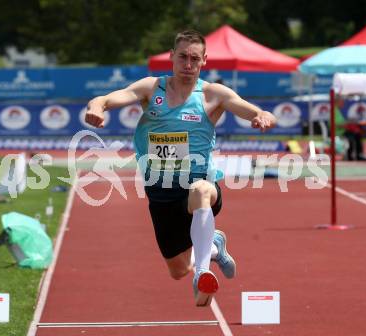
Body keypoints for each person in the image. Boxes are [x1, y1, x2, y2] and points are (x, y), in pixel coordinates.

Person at [85, 30, 276, 306]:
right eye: (183, 57)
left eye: (195, 59)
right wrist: (97, 107)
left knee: (201, 190)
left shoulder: (213, 94)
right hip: (160, 193)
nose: (188, 64)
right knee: (177, 270)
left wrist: (262, 117)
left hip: (198, 188)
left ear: (204, 61)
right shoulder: (151, 88)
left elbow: (251, 109)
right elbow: (107, 99)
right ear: (172, 57)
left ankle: (202, 273)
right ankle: (212, 246)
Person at [334, 95, 365, 161]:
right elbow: (337, 124)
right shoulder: (334, 110)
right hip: (339, 132)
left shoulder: (337, 110)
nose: (343, 103)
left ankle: (357, 155)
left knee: (357, 133)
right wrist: (348, 126)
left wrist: (349, 124)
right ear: (338, 102)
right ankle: (354, 156)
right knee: (355, 135)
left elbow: (340, 122)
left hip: (342, 131)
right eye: (342, 101)